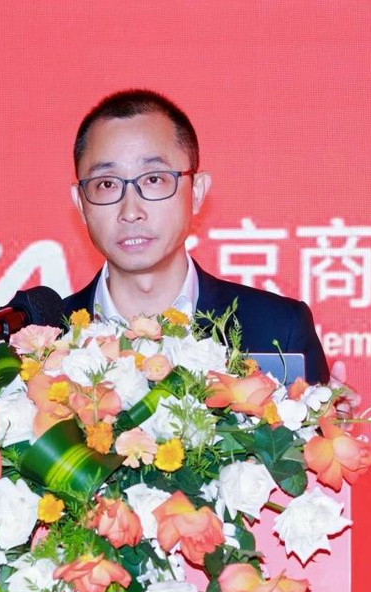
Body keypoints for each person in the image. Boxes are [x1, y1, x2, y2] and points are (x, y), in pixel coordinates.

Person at [64, 88, 331, 385]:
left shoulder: (278, 329)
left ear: (197, 191)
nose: (130, 211)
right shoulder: (43, 339)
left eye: (154, 179)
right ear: (80, 202)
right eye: (106, 184)